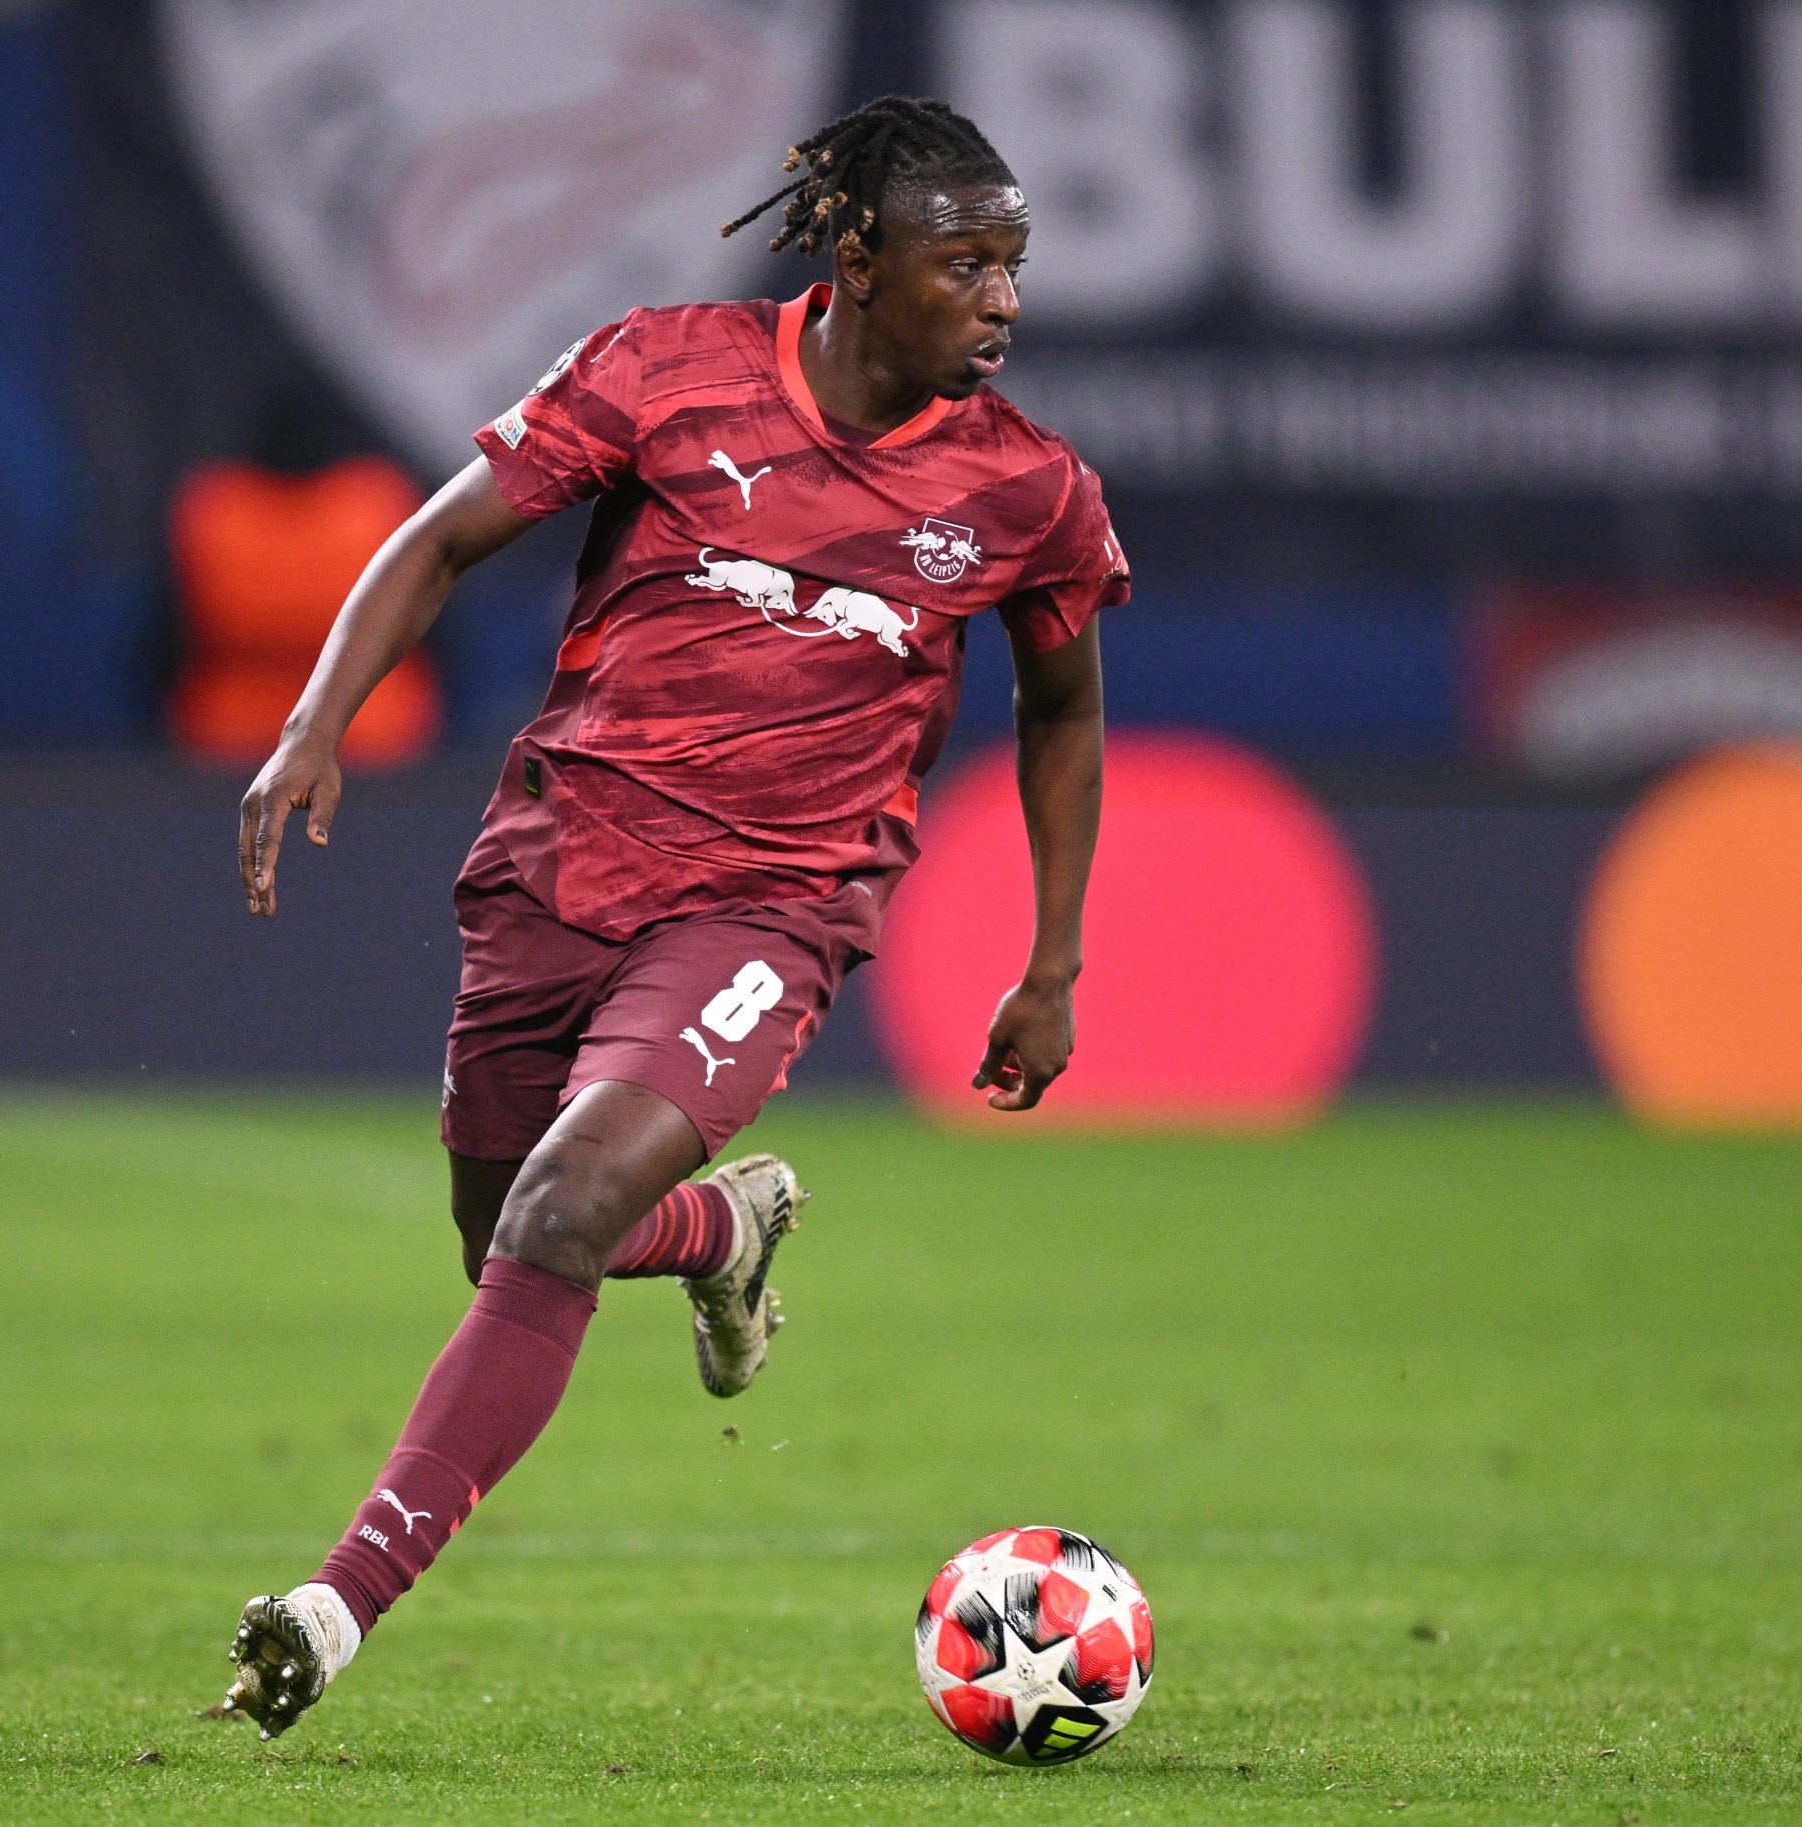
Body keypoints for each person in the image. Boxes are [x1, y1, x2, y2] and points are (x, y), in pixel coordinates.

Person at [217, 95, 1129, 1737]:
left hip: (774, 905)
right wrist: (312, 727)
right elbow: (439, 540)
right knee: (509, 1234)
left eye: (1015, 264)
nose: (1002, 299)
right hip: (560, 865)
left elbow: (1062, 711)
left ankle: (334, 1605)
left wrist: (1051, 962)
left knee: (561, 1212)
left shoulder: (1027, 491)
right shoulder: (666, 369)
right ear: (859, 259)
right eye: (965, 264)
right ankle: (719, 1232)